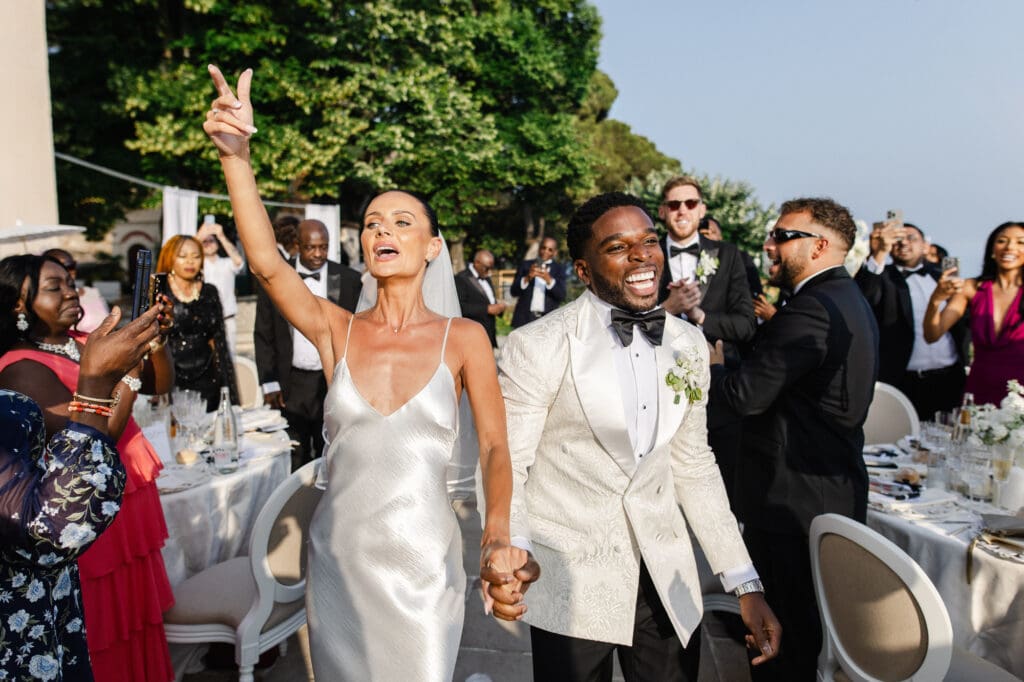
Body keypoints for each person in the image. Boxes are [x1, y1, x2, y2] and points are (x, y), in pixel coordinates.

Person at [203, 64, 527, 681]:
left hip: (425, 563)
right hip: (338, 563)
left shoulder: (465, 338)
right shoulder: (337, 330)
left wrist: (497, 534)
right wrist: (236, 159)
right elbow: (270, 267)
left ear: (433, 248)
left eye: (403, 222)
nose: (383, 229)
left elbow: (492, 445)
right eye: (374, 222)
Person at [498, 192, 780, 682]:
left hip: (665, 579)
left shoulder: (688, 343)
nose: (642, 256)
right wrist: (510, 549)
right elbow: (509, 463)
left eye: (649, 241)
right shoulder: (538, 345)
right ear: (583, 271)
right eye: (617, 247)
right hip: (571, 576)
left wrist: (744, 583)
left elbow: (694, 465)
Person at [709, 197, 879, 681]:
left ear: (820, 245)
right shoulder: (847, 299)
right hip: (823, 491)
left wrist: (716, 370)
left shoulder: (811, 309)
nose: (771, 245)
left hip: (790, 502)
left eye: (783, 237)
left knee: (780, 641)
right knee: (800, 632)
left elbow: (745, 397)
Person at [0, 254, 177, 682]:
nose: (69, 292)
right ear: (19, 305)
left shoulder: (86, 341)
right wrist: (126, 376)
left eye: (70, 282)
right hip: (84, 511)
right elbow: (91, 437)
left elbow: (163, 383)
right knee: (102, 630)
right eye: (53, 287)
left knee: (137, 619)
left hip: (130, 499)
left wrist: (155, 339)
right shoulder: (21, 367)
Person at [658, 178, 755, 505]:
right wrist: (667, 310)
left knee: (722, 498)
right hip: (660, 390)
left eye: (689, 203)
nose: (681, 210)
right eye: (674, 205)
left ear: (702, 209)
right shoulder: (646, 253)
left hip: (719, 389)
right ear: (663, 211)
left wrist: (700, 316)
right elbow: (623, 321)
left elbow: (746, 325)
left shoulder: (728, 255)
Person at [255, 218, 362, 471]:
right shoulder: (276, 277)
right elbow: (264, 332)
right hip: (290, 381)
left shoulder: (348, 279)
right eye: (310, 248)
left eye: (323, 247)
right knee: (294, 451)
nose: (318, 254)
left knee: (333, 450)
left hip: (332, 380)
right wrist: (269, 381)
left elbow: (358, 331)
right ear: (297, 245)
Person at [855, 220, 968, 419]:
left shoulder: (942, 277)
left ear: (925, 246)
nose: (903, 243)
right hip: (902, 380)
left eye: (911, 238)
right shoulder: (881, 276)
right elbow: (860, 300)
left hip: (950, 378)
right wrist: (878, 253)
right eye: (897, 238)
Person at [924, 222, 1024, 406]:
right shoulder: (971, 288)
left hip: (1020, 392)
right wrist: (935, 300)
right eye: (1002, 241)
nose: (1010, 247)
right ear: (992, 249)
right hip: (980, 388)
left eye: (1020, 242)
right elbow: (932, 334)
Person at [156, 234, 238, 411]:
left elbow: (219, 341)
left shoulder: (210, 292)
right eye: (183, 256)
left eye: (196, 256)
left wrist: (229, 389)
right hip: (169, 377)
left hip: (208, 378)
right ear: (170, 258)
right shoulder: (159, 292)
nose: (190, 262)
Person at [196, 218, 245, 356]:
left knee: (230, 359)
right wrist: (199, 237)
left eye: (211, 240)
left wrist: (221, 235)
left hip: (227, 319)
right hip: (204, 321)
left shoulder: (226, 263)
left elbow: (239, 261)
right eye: (204, 242)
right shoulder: (197, 265)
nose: (208, 244)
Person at [43, 248, 111, 333]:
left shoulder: (92, 292)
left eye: (70, 265)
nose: (66, 271)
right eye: (60, 266)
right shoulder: (47, 300)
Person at [509, 236, 567, 328]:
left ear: (555, 252)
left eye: (550, 250)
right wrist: (527, 278)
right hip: (524, 319)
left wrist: (549, 280)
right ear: (539, 248)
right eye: (543, 248)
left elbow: (561, 295)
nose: (545, 251)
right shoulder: (525, 265)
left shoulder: (559, 269)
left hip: (548, 321)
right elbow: (513, 292)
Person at [455, 249, 507, 348]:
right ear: (477, 263)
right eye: (487, 268)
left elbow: (489, 300)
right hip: (471, 335)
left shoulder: (486, 277)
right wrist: (487, 309)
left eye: (492, 268)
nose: (490, 272)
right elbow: (460, 307)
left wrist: (499, 307)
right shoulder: (461, 278)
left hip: (489, 334)